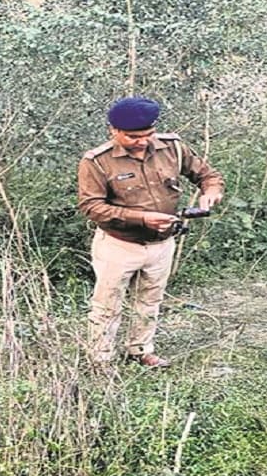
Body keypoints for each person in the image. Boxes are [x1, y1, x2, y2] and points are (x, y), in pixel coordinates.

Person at [77, 96, 225, 367]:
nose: (143, 141)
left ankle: (140, 350)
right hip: (118, 245)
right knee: (107, 305)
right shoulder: (97, 161)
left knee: (149, 300)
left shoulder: (173, 148)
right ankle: (101, 359)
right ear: (114, 131)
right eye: (133, 136)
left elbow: (208, 175)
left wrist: (211, 192)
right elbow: (91, 207)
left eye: (148, 134)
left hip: (162, 245)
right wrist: (142, 218)